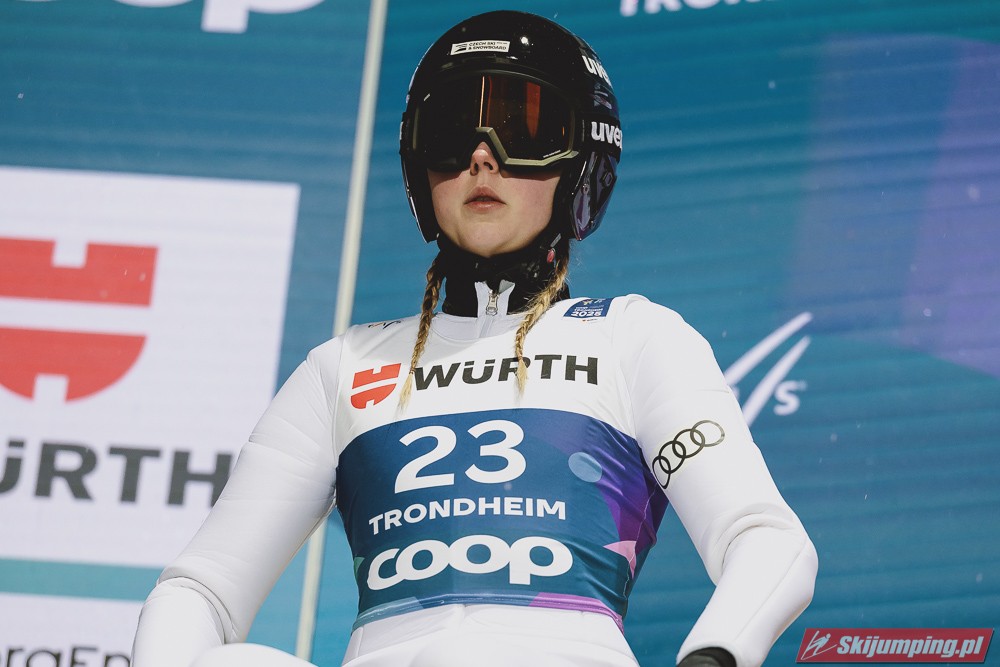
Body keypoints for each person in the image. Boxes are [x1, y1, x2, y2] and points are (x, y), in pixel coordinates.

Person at [131, 10, 817, 667]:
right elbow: (200, 589)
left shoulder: (635, 338)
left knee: (467, 655)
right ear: (417, 164)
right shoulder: (341, 367)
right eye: (453, 131)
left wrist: (712, 656)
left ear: (582, 160)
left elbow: (766, 539)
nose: (483, 157)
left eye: (524, 127)